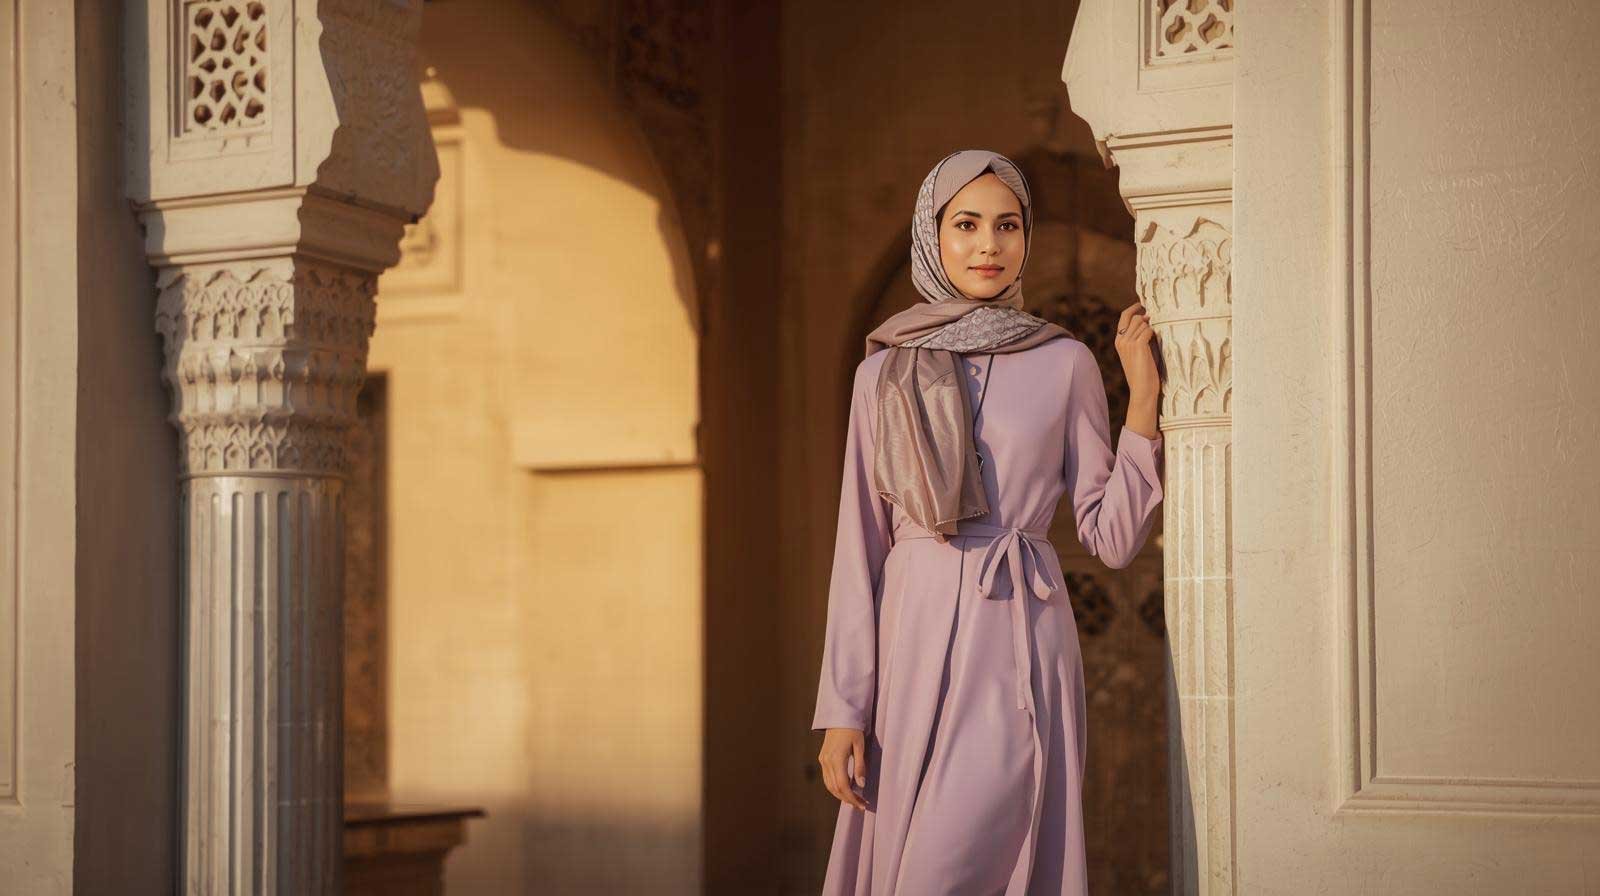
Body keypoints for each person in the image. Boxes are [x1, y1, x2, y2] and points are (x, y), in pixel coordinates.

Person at [811, 150, 1164, 895]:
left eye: (1007, 226)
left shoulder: (1064, 361)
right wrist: (843, 708)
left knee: (972, 853)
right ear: (931, 236)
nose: (988, 245)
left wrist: (1140, 402)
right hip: (911, 640)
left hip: (1019, 637)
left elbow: (1111, 534)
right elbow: (859, 547)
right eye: (965, 224)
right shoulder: (882, 372)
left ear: (1026, 239)